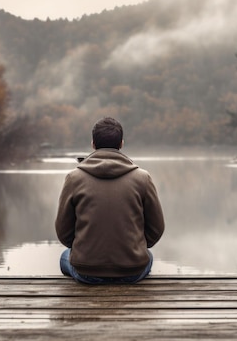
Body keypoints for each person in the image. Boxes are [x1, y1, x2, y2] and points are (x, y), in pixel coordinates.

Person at [55, 117, 165, 284]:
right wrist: (136, 246)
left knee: (65, 257)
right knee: (147, 257)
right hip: (132, 271)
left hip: (87, 272)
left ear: (93, 144)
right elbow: (156, 229)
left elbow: (63, 233)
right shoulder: (143, 178)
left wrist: (84, 248)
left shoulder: (73, 178)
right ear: (121, 144)